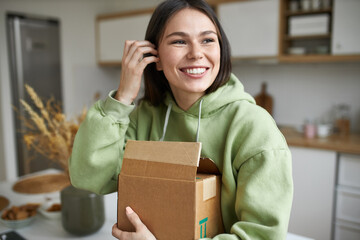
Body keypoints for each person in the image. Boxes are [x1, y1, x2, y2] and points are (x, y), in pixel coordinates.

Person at [69, 0, 293, 239]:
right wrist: (122, 97)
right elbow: (88, 179)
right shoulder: (144, 118)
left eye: (207, 40)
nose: (196, 53)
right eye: (179, 41)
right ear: (154, 55)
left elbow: (261, 235)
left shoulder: (254, 127)